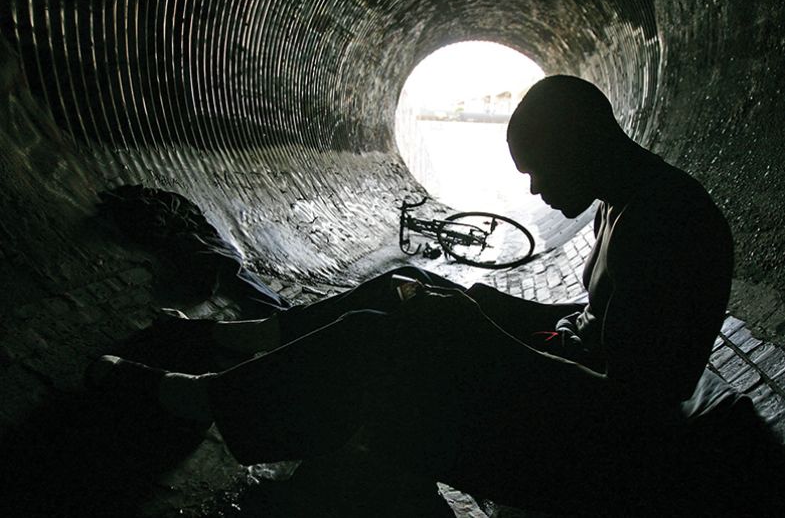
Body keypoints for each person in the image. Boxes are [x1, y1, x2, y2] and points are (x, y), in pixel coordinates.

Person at [87, 75, 734, 515]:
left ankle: (192, 399)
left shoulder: (668, 222)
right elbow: (597, 319)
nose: (535, 190)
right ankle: (241, 339)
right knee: (418, 287)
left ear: (580, 140)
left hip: (602, 448)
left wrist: (476, 334)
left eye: (538, 166)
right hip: (575, 394)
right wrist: (493, 303)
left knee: (395, 335)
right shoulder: (624, 201)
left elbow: (635, 404)